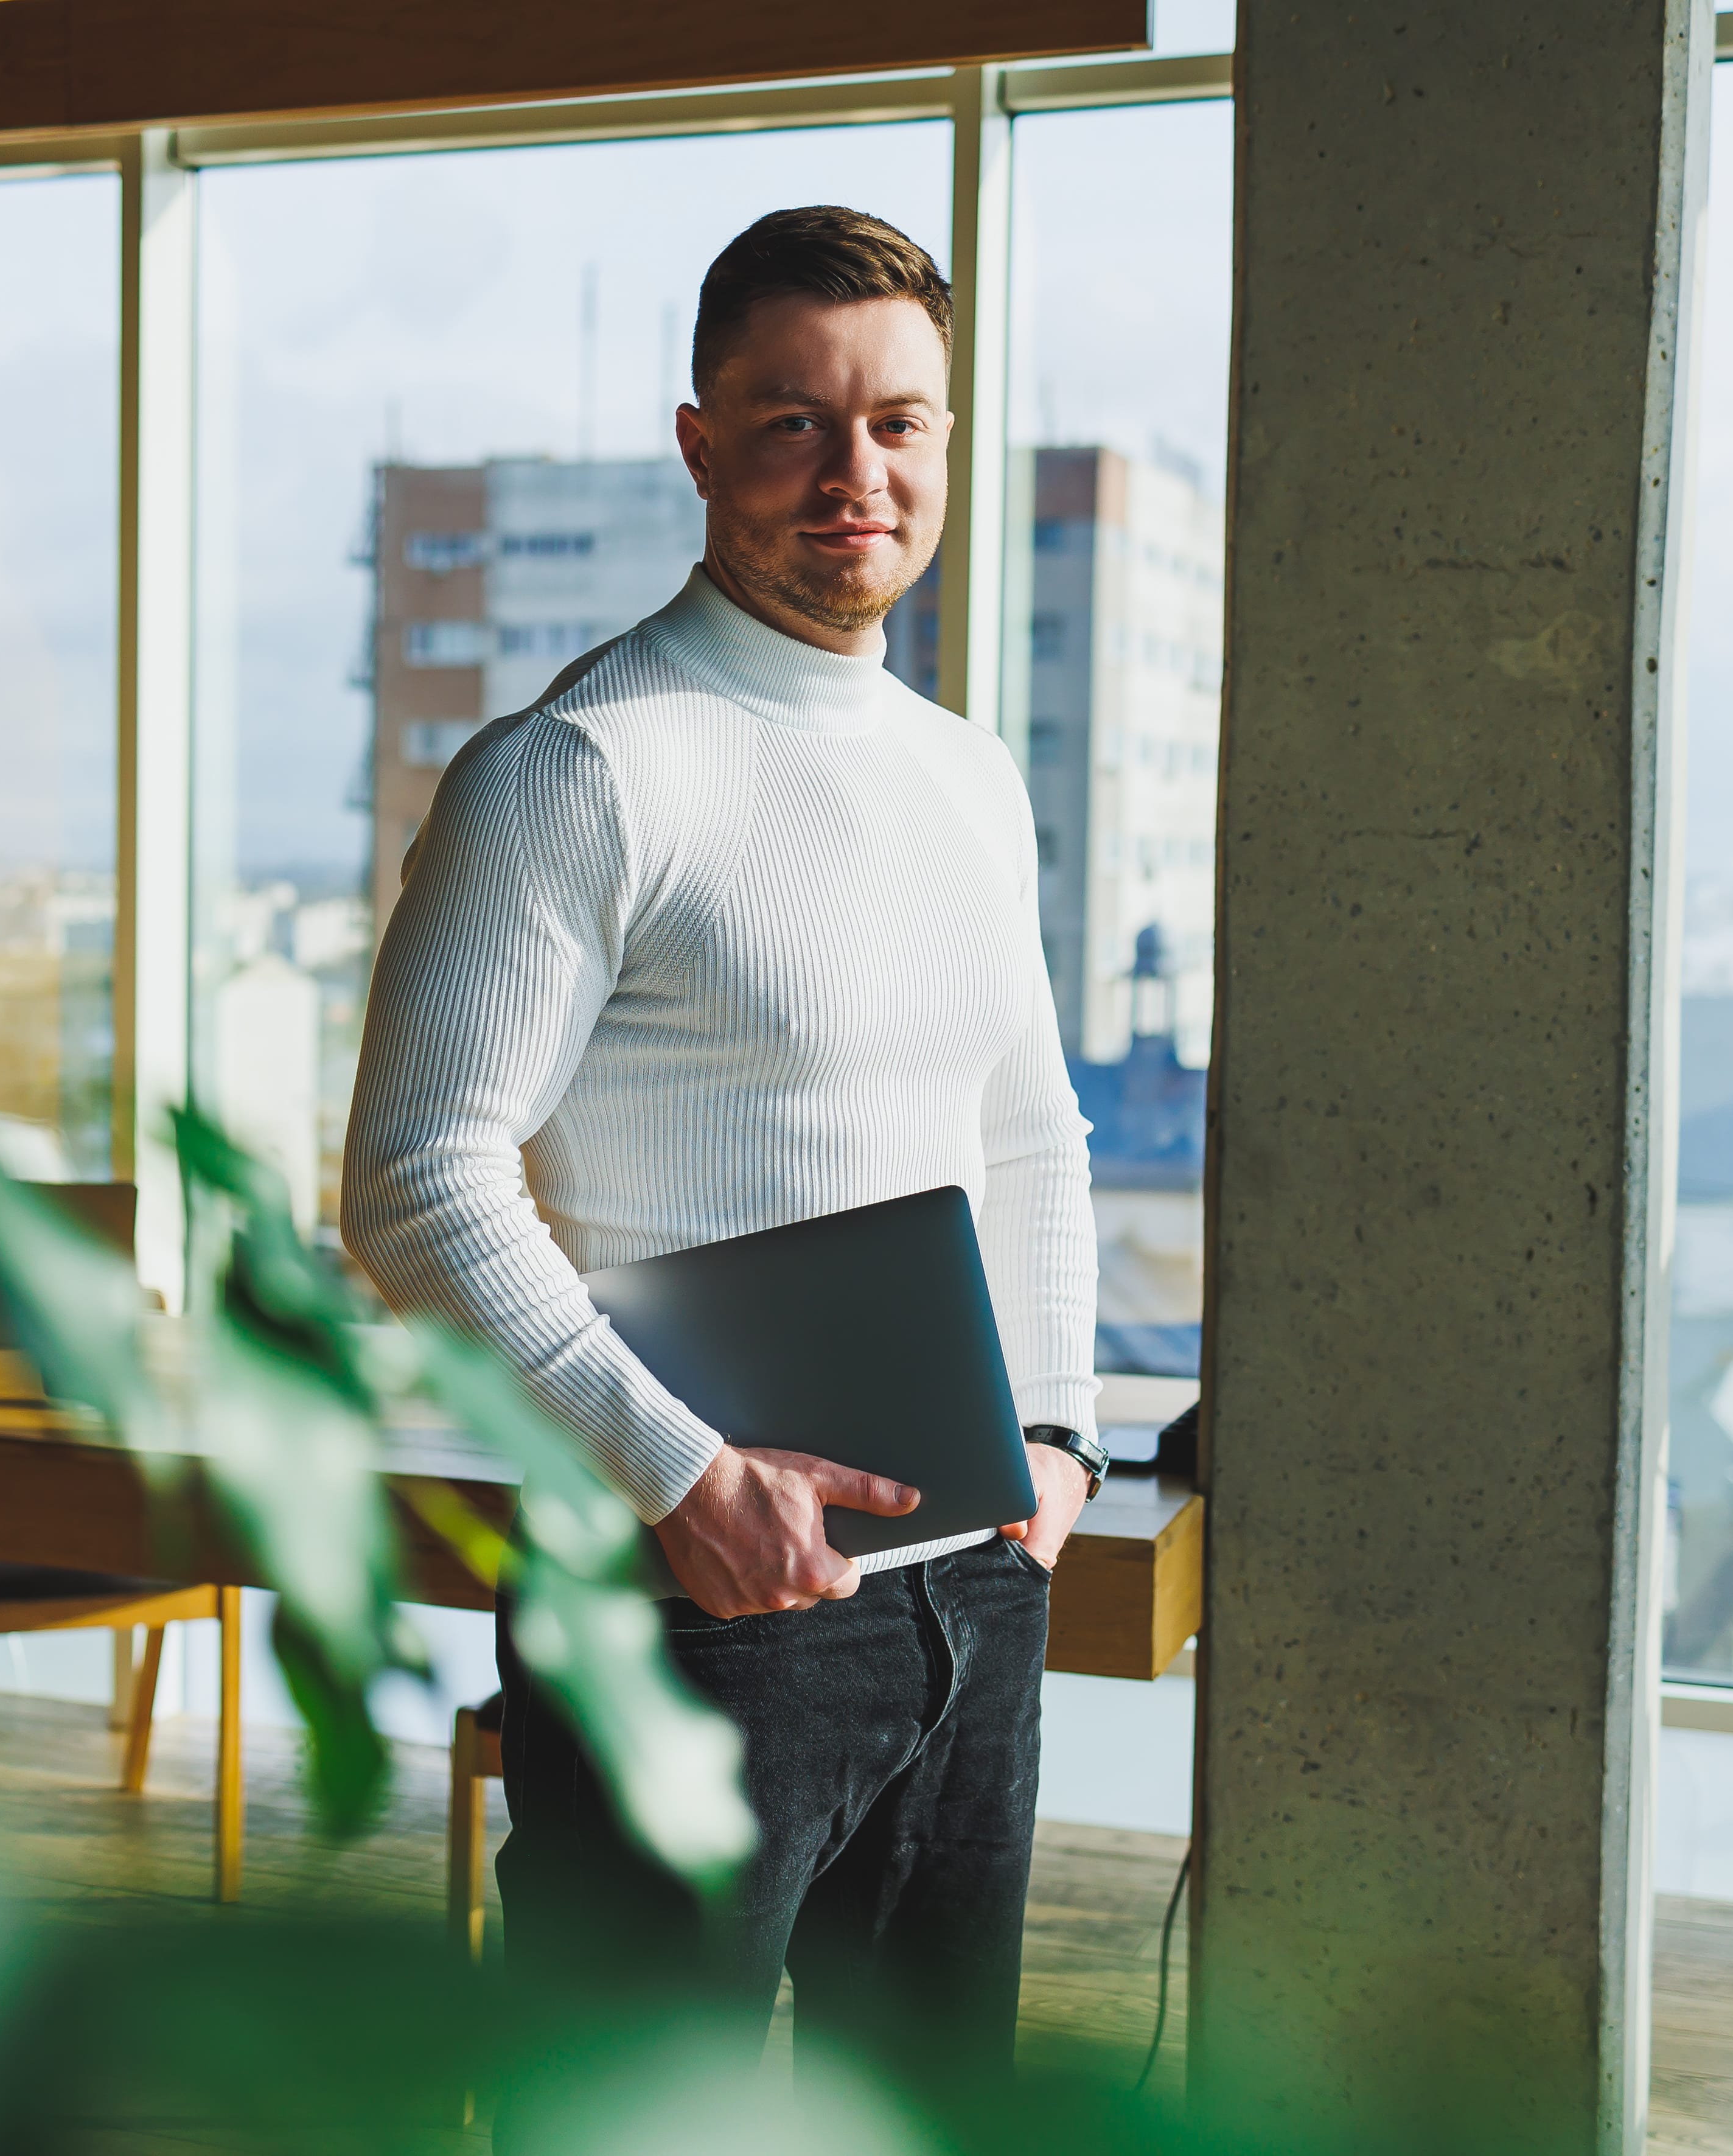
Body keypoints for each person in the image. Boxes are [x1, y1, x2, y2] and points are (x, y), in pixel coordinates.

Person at [340, 205, 1103, 2092]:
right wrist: (681, 1474)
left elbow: (1031, 1136)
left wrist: (1063, 1435)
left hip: (968, 1589)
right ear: (698, 445)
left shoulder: (968, 775)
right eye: (794, 423)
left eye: (900, 425)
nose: (858, 475)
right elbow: (416, 1179)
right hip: (681, 1601)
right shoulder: (579, 770)